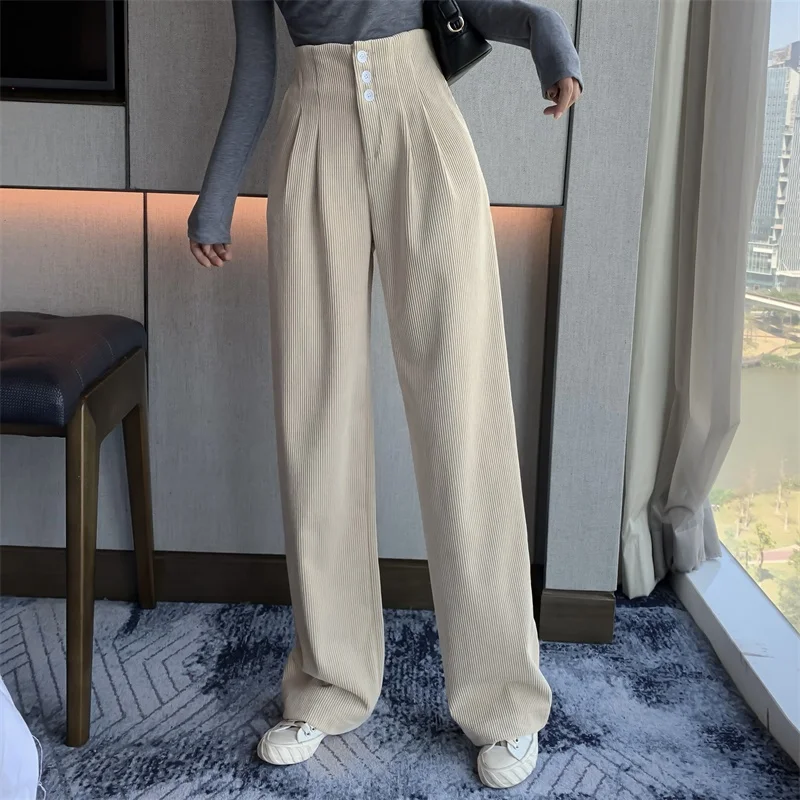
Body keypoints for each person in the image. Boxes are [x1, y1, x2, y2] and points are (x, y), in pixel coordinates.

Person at [188, 0, 582, 789]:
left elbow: (476, 5)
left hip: (421, 119)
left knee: (463, 411)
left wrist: (547, 36)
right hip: (312, 129)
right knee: (316, 415)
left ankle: (505, 701)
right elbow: (257, 66)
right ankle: (329, 683)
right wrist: (218, 192)